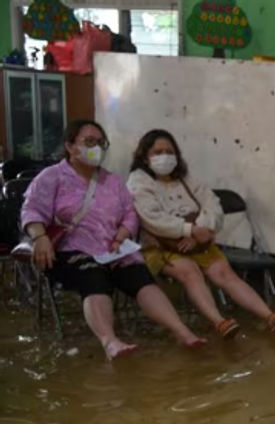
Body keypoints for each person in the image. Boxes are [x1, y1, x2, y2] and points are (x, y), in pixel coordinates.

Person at [22, 119, 205, 359]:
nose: (96, 147)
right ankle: (110, 341)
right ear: (70, 146)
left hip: (113, 248)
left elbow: (130, 213)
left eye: (100, 142)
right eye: (89, 141)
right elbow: (32, 209)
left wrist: (124, 233)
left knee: (140, 277)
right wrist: (40, 236)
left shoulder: (113, 181)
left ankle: (183, 333)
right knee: (93, 277)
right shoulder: (52, 177)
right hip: (71, 250)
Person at [127, 129, 275, 338]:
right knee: (190, 272)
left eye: (170, 151)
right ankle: (220, 322)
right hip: (160, 246)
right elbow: (153, 218)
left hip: (198, 240)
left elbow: (212, 204)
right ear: (144, 156)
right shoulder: (138, 181)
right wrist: (190, 230)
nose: (165, 156)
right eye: (158, 152)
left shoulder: (185, 178)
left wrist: (199, 231)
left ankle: (269, 316)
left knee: (224, 273)